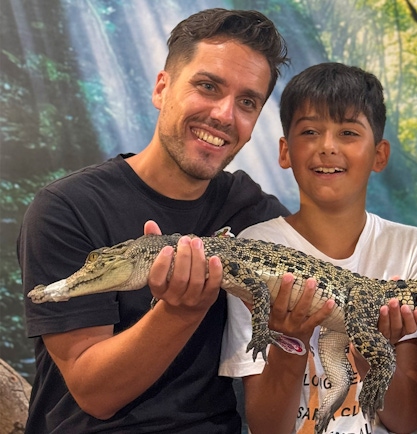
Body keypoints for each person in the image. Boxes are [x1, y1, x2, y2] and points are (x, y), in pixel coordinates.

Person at [18, 8, 292, 433]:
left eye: (247, 102)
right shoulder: (66, 207)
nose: (223, 115)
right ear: (162, 88)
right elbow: (96, 394)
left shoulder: (252, 210)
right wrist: (179, 311)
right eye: (207, 86)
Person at [219, 62, 417, 434]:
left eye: (348, 132)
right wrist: (291, 341)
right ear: (285, 152)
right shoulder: (254, 248)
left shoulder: (414, 248)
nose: (327, 147)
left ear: (379, 154)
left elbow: (406, 419)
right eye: (310, 131)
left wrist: (374, 350)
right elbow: (268, 427)